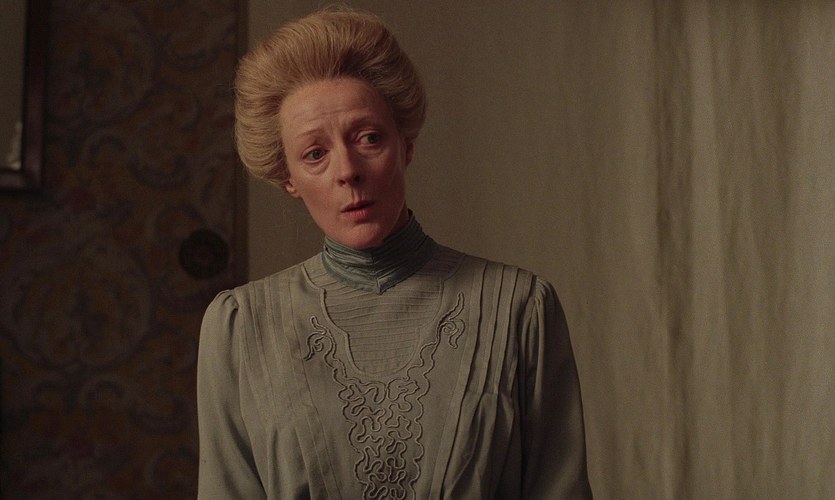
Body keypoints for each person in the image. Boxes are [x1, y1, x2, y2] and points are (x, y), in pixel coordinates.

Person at [197, 7, 592, 499]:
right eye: (315, 153)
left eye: (368, 138)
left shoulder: (518, 308)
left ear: (405, 144)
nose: (348, 170)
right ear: (288, 177)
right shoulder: (240, 328)